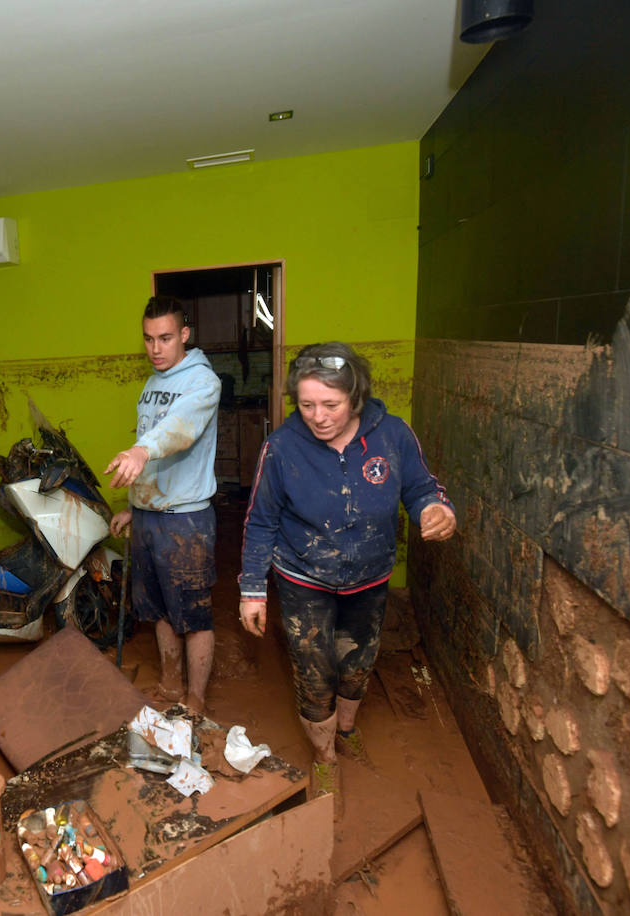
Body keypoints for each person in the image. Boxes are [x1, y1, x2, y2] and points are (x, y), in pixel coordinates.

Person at [237, 342, 456, 809]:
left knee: (356, 665)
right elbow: (260, 521)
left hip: (370, 578)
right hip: (302, 577)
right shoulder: (281, 448)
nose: (318, 416)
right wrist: (252, 589)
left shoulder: (392, 435)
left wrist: (436, 508)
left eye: (331, 405)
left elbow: (420, 486)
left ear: (355, 397)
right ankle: (325, 757)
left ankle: (348, 728)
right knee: (315, 673)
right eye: (307, 404)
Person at [106, 296, 222, 716]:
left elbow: (178, 432)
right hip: (150, 517)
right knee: (156, 609)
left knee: (193, 615)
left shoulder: (202, 382)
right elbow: (150, 453)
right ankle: (172, 683)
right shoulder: (153, 382)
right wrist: (134, 506)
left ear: (185, 336)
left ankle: (196, 698)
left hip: (186, 520)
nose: (156, 348)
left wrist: (140, 451)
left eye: (166, 338)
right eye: (149, 338)